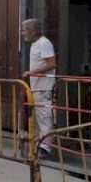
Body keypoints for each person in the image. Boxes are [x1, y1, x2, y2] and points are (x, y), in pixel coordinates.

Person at [21, 19, 57, 158]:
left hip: (43, 87)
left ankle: (45, 148)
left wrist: (32, 72)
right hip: (37, 87)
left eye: (25, 29)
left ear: (33, 30)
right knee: (38, 118)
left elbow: (52, 64)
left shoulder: (44, 43)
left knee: (44, 117)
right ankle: (38, 145)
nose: (23, 33)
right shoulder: (36, 44)